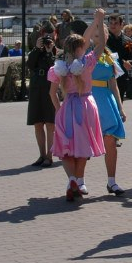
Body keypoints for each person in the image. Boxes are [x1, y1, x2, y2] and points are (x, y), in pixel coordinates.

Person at [49, 18, 107, 202]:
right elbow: (102, 44)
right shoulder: (87, 63)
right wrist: (100, 21)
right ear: (81, 48)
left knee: (66, 147)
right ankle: (80, 181)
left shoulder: (59, 67)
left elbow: (52, 93)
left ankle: (72, 180)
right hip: (86, 105)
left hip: (67, 107)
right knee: (83, 146)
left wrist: (58, 109)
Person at [91, 21, 127, 196]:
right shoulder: (87, 55)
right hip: (90, 99)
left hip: (107, 100)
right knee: (84, 142)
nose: (100, 37)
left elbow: (114, 84)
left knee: (111, 141)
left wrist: (120, 107)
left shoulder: (110, 56)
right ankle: (77, 181)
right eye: (97, 35)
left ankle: (111, 181)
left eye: (103, 34)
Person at [26, 24, 57, 167]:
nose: (48, 38)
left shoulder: (57, 51)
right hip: (36, 86)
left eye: (51, 35)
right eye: (45, 35)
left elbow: (55, 68)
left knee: (50, 123)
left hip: (49, 87)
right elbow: (30, 64)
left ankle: (49, 156)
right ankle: (41, 155)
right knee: (38, 123)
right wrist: (37, 48)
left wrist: (50, 52)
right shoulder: (36, 50)